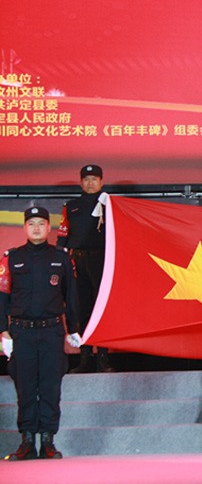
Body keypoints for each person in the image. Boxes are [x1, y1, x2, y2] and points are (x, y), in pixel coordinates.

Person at [1, 207, 82, 460]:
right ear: (25, 228)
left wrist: (74, 330)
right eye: (31, 224)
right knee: (25, 387)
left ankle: (48, 441)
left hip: (51, 332)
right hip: (21, 333)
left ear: (49, 228)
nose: (36, 228)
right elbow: (2, 298)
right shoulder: (11, 258)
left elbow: (71, 296)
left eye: (41, 224)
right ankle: (27, 441)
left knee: (50, 387)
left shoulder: (61, 258)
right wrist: (3, 331)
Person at [57, 164, 113, 373]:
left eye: (94, 179)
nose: (90, 183)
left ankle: (103, 359)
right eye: (86, 179)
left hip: (102, 262)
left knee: (101, 309)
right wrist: (59, 261)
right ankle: (84, 359)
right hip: (78, 262)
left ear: (101, 182)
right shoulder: (71, 206)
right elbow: (63, 235)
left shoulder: (110, 204)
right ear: (81, 182)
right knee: (82, 308)